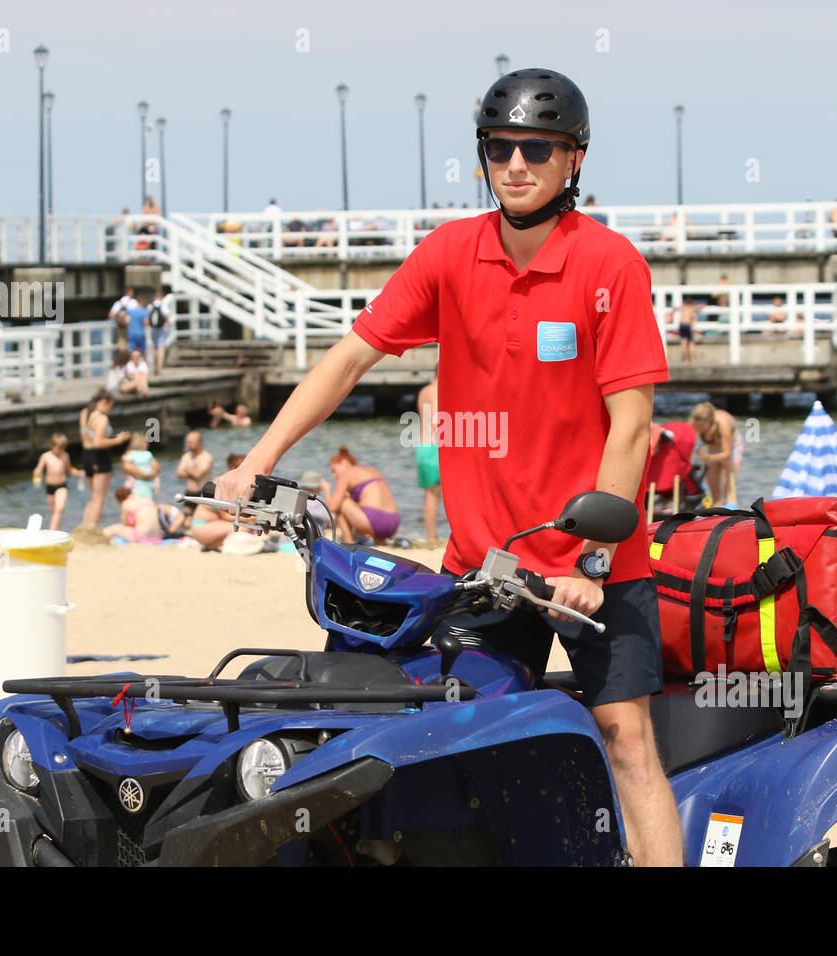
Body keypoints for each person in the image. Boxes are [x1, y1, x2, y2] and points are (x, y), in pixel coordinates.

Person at [213, 68, 680, 865]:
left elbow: (631, 425)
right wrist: (255, 464)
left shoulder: (608, 265)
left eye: (539, 148)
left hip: (596, 562)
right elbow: (351, 357)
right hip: (486, 567)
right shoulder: (450, 255)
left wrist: (593, 557)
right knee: (457, 736)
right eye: (500, 148)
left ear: (574, 159)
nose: (517, 163)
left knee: (625, 735)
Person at [78, 390, 131, 532]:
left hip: (86, 455)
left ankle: (85, 526)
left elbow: (87, 438)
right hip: (99, 457)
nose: (110, 410)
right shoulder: (102, 419)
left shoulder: (84, 413)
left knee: (93, 496)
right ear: (104, 402)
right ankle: (93, 529)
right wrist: (117, 440)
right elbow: (98, 442)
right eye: (110, 406)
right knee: (99, 497)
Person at [324, 447, 401, 544]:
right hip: (393, 522)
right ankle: (381, 543)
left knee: (342, 503)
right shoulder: (371, 470)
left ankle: (349, 545)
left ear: (344, 463)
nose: (333, 476)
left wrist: (326, 490)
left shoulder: (346, 473)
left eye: (334, 470)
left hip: (375, 521)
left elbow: (333, 506)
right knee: (353, 503)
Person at [689, 402, 739, 507]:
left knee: (728, 490)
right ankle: (716, 514)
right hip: (711, 450)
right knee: (715, 493)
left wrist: (709, 457)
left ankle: (732, 511)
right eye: (697, 425)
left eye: (702, 426)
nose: (699, 429)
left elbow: (727, 453)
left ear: (710, 421)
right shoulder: (693, 422)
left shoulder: (722, 424)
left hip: (731, 448)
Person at [33, 433, 82, 531]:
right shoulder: (46, 456)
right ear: (52, 446)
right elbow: (39, 468)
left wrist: (79, 473)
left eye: (63, 448)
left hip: (61, 486)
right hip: (50, 487)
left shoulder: (65, 456)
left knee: (59, 509)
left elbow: (69, 469)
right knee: (54, 512)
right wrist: (37, 472)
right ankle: (58, 532)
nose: (60, 451)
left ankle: (51, 531)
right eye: (58, 448)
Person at [415, 380, 444, 544]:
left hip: (423, 447)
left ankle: (430, 536)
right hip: (435, 448)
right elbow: (436, 421)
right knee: (436, 495)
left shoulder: (424, 391)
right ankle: (433, 538)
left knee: (430, 495)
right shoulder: (438, 390)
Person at [175, 431, 214, 518]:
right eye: (187, 442)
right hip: (188, 493)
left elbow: (198, 474)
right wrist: (192, 471)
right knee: (185, 519)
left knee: (198, 519)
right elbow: (178, 474)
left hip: (201, 495)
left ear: (199, 443)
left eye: (190, 442)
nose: (187, 444)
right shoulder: (186, 456)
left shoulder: (206, 457)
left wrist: (186, 468)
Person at [122, 432, 160, 501]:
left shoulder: (130, 454)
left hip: (137, 483)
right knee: (147, 501)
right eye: (146, 442)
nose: (148, 444)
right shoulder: (147, 454)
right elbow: (156, 466)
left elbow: (126, 466)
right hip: (146, 482)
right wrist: (151, 474)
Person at [149, 288, 172, 373]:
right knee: (161, 348)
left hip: (153, 329)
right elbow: (167, 317)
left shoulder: (150, 306)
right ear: (161, 297)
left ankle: (155, 367)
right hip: (162, 329)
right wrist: (168, 326)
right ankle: (159, 368)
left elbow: (148, 319)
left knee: (155, 348)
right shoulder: (163, 306)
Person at [677, 299, 698, 364]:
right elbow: (701, 306)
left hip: (682, 325)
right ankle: (692, 359)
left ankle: (686, 360)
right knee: (691, 343)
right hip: (688, 325)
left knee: (684, 343)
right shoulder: (692, 308)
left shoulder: (683, 307)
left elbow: (675, 307)